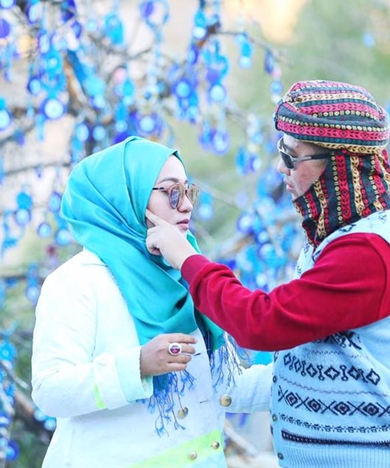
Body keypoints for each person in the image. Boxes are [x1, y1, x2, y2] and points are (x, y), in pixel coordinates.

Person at [144, 80, 390, 467]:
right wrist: (220, 388)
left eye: (292, 155)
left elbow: (262, 323)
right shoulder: (348, 220)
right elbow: (317, 356)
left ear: (338, 162)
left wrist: (185, 258)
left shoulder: (367, 251)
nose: (280, 166)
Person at [31, 136, 272, 467]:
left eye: (188, 191)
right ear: (125, 198)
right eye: (171, 191)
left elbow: (216, 389)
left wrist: (308, 373)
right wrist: (137, 366)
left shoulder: (182, 272)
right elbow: (50, 391)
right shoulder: (78, 281)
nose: (185, 204)